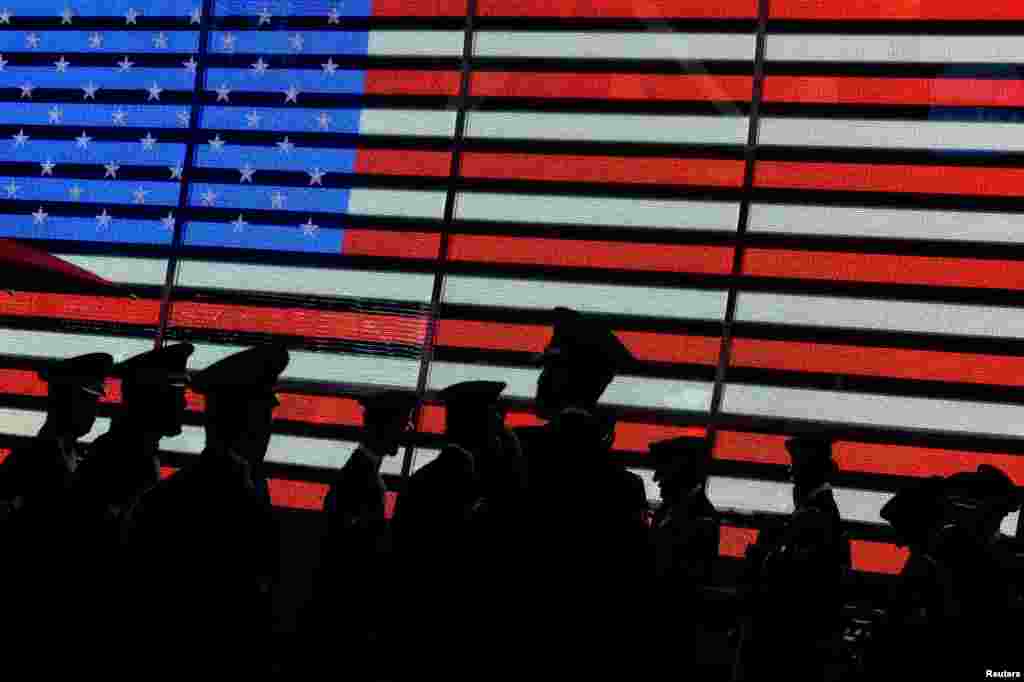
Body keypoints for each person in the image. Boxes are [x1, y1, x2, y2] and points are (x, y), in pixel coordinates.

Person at [124, 344, 288, 669]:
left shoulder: (172, 495)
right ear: (245, 418)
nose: (270, 428)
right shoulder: (228, 493)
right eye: (265, 414)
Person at [513, 307, 647, 675]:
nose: (540, 378)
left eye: (549, 368)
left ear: (565, 376)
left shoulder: (517, 453)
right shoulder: (625, 487)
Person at [69, 342, 194, 627]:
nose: (185, 403)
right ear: (152, 397)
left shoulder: (134, 452)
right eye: (176, 392)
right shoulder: (119, 457)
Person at [390, 381, 508, 680]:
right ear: (477, 425)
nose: (500, 430)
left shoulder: (423, 480)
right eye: (494, 420)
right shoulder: (475, 483)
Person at [299, 390, 417, 675]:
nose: (407, 431)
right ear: (384, 427)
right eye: (402, 424)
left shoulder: (360, 472)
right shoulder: (361, 478)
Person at [0, 351, 112, 629]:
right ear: (62, 401)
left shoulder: (76, 459)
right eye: (88, 399)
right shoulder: (27, 461)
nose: (94, 410)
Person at [735, 435, 850, 682]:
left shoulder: (815, 515)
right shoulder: (818, 512)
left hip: (794, 634)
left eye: (795, 467)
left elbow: (795, 578)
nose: (791, 473)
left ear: (808, 472)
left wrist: (762, 556)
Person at [648, 435, 720, 673]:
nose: (656, 478)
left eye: (662, 470)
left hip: (677, 632)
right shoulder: (674, 511)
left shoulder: (701, 518)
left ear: (682, 471)